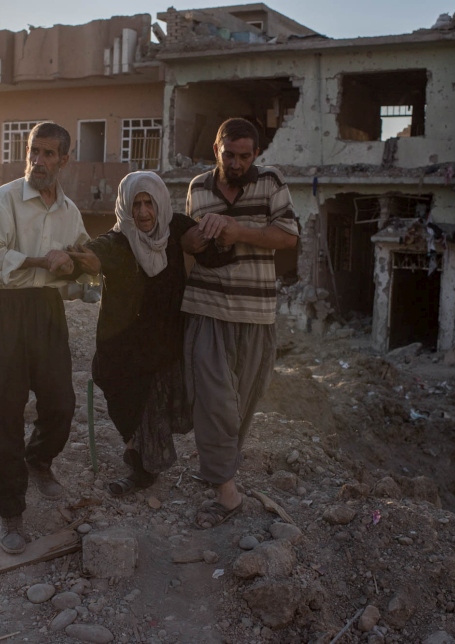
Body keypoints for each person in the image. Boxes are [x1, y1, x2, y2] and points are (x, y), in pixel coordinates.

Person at [0, 121, 89, 554]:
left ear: (64, 159)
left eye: (47, 154)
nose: (38, 161)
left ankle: (38, 460)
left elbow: (80, 260)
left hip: (47, 312)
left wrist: (79, 264)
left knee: (61, 402)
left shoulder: (69, 212)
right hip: (5, 311)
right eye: (33, 151)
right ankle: (10, 513)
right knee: (5, 414)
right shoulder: (4, 199)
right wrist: (46, 260)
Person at [179, 118, 299, 529]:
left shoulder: (271, 182)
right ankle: (226, 493)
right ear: (216, 149)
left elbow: (287, 236)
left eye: (245, 156)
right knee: (213, 401)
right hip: (207, 307)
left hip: (256, 313)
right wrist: (191, 242)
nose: (236, 163)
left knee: (241, 405)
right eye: (228, 154)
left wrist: (238, 231)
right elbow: (187, 246)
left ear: (256, 154)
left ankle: (220, 469)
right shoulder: (197, 188)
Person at [67, 172, 195, 495]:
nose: (142, 213)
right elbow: (96, 254)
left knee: (154, 408)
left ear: (160, 204)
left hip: (167, 344)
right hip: (124, 347)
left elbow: (206, 246)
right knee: (123, 400)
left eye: (148, 203)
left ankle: (142, 470)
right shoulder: (119, 240)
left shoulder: (177, 229)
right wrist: (82, 261)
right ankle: (142, 459)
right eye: (135, 204)